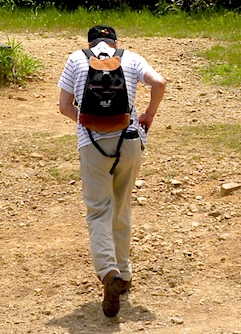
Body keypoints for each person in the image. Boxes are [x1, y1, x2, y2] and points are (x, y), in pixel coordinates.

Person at [58, 24, 166, 318]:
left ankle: (108, 272)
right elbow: (159, 83)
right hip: (129, 141)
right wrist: (147, 115)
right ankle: (125, 272)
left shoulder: (76, 59)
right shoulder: (129, 58)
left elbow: (64, 106)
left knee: (98, 210)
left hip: (92, 146)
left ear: (90, 43)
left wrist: (88, 121)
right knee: (122, 206)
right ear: (114, 41)